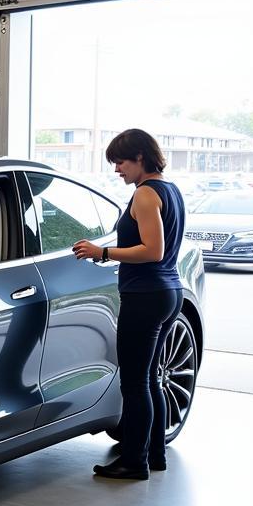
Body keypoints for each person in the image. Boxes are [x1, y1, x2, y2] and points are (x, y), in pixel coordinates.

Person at [73, 129, 186, 480]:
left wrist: (102, 252)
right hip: (168, 292)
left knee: (135, 383)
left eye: (120, 162)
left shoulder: (146, 194)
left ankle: (134, 461)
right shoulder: (171, 190)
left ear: (140, 157)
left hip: (146, 296)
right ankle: (154, 455)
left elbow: (153, 250)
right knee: (151, 379)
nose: (117, 169)